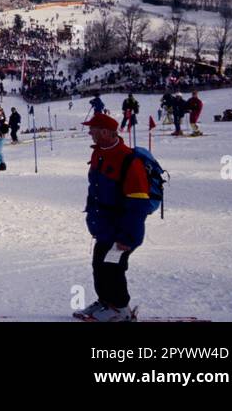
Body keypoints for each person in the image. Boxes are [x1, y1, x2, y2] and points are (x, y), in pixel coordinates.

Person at [77, 113, 149, 322]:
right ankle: (106, 301)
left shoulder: (128, 159)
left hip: (122, 227)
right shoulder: (99, 153)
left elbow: (138, 203)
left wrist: (127, 236)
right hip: (104, 225)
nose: (89, 132)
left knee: (113, 267)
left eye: (94, 129)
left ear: (106, 132)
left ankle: (120, 309)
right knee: (99, 263)